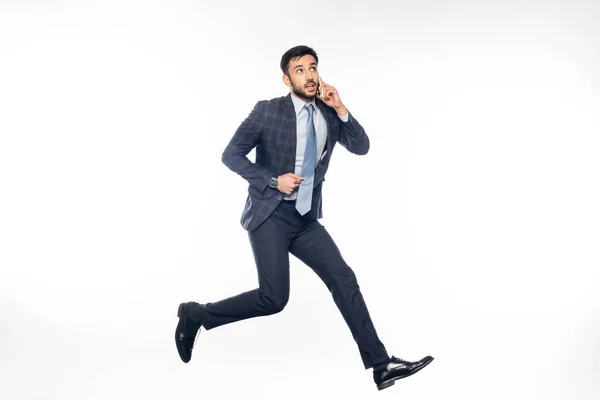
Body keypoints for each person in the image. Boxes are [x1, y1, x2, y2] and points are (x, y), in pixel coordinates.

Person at [174, 45, 433, 391]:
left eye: (313, 68)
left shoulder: (328, 113)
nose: (309, 75)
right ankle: (196, 314)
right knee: (274, 299)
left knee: (343, 278)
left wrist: (341, 108)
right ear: (286, 78)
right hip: (270, 214)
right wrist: (271, 179)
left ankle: (380, 364)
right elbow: (231, 155)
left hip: (305, 218)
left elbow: (362, 146)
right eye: (300, 70)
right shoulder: (267, 112)